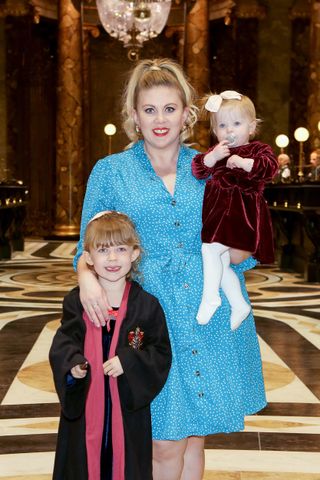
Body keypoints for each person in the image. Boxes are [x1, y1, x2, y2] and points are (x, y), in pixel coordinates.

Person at [75, 59, 267, 480]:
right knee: (162, 441)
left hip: (208, 311)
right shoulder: (110, 172)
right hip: (150, 319)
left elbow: (244, 239)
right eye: (149, 109)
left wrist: (237, 249)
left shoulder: (215, 167)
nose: (160, 119)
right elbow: (84, 247)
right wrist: (86, 277)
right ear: (134, 116)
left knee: (195, 436)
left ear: (187, 114)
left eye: (169, 108)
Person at [49, 211, 171, 480]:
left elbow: (160, 352)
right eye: (103, 250)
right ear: (89, 257)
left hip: (127, 416)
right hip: (85, 415)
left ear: (135, 253)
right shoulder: (76, 303)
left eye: (121, 249)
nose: (113, 258)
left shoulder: (146, 306)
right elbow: (64, 342)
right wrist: (73, 366)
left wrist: (128, 361)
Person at [192, 90, 278, 328]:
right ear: (215, 131)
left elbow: (270, 168)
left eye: (237, 124)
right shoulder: (218, 152)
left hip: (243, 216)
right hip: (220, 218)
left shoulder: (258, 150)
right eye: (222, 125)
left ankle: (210, 298)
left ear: (252, 127)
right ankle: (239, 303)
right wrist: (212, 157)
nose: (229, 130)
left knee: (209, 251)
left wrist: (242, 163)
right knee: (220, 262)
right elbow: (198, 170)